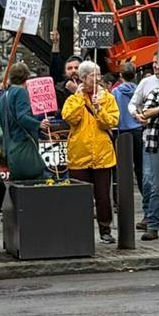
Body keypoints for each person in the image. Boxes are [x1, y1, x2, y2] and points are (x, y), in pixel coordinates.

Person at [61, 60, 122, 244]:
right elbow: (70, 118)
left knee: (103, 196)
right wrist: (80, 99)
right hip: (79, 154)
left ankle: (105, 229)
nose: (96, 79)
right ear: (82, 79)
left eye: (98, 75)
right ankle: (81, 230)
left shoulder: (107, 98)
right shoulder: (73, 99)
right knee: (81, 196)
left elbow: (112, 121)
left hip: (102, 154)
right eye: (92, 76)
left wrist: (98, 109)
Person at [130, 64, 159, 238]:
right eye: (154, 63)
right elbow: (135, 105)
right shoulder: (147, 84)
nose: (156, 66)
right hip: (153, 140)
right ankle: (150, 217)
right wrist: (136, 115)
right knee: (150, 180)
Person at [0, 62, 51, 185]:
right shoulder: (20, 92)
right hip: (23, 144)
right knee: (37, 181)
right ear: (26, 77)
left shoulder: (4, 95)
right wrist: (38, 124)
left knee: (18, 186)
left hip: (9, 148)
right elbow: (22, 117)